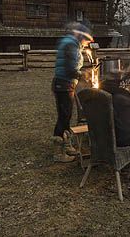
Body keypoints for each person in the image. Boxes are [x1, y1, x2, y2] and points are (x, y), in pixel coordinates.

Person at [51, 22, 93, 163]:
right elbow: (70, 69)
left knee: (66, 115)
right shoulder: (71, 45)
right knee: (64, 117)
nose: (87, 43)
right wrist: (83, 75)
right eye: (87, 40)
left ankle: (66, 145)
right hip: (63, 84)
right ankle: (58, 152)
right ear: (81, 36)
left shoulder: (70, 43)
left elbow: (72, 65)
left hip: (64, 84)